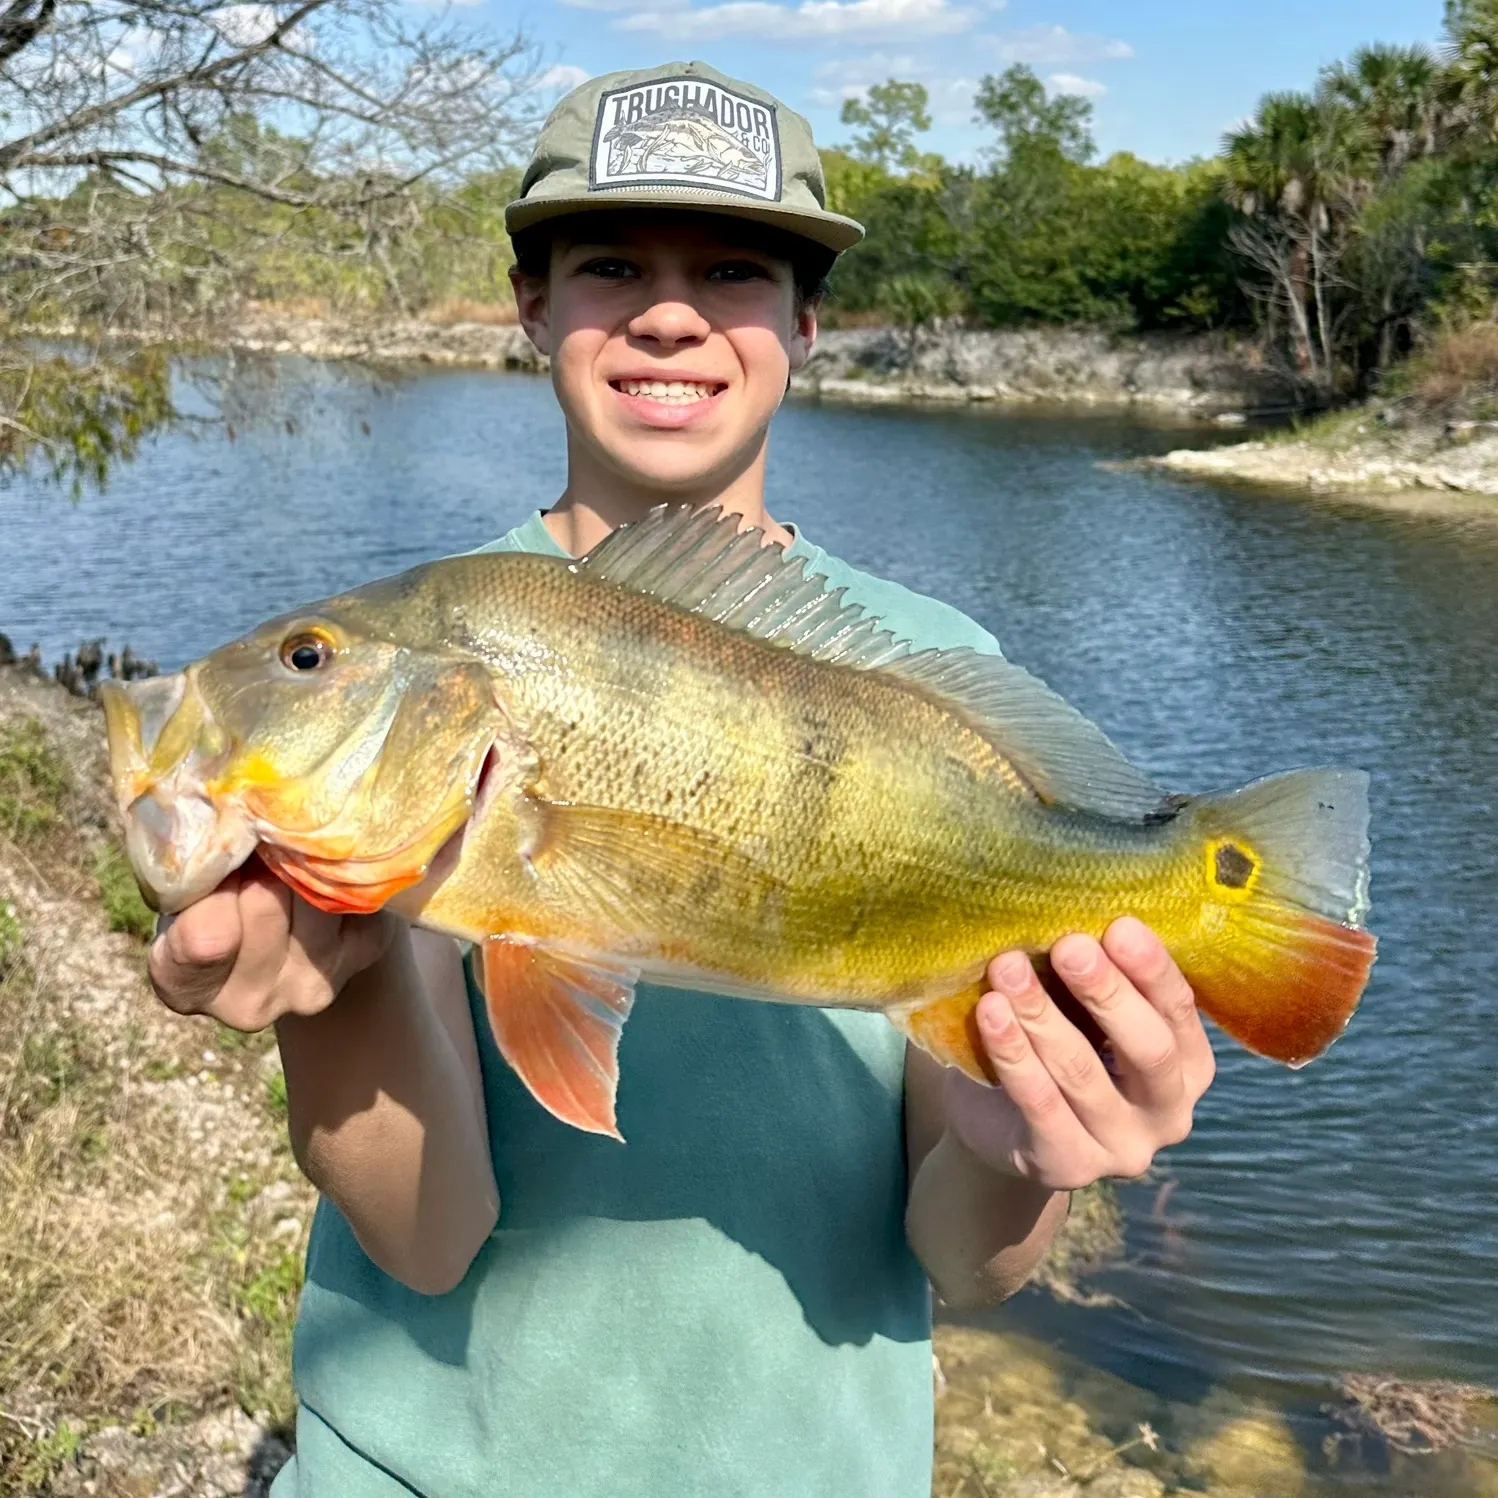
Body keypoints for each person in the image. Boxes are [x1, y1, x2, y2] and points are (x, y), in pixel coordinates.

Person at [149, 62, 1216, 1498]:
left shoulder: (929, 670)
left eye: (731, 269)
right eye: (607, 266)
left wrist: (1024, 1138)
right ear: (529, 305)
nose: (667, 312)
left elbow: (969, 1257)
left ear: (805, 321)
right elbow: (427, 1233)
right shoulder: (431, 666)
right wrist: (332, 998)